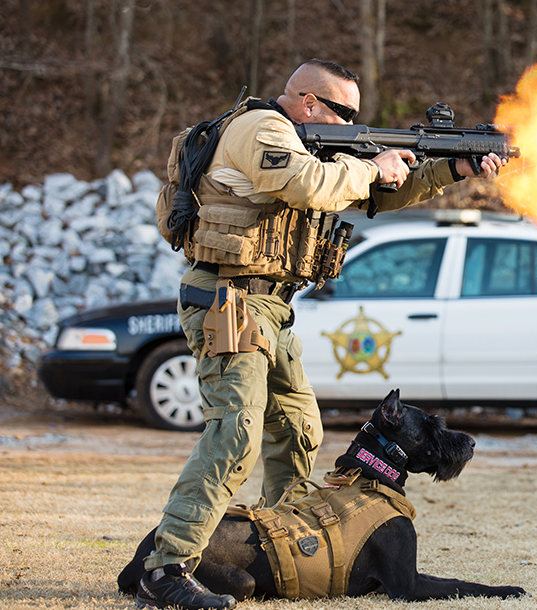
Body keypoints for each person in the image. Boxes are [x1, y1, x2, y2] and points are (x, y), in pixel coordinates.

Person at [136, 59, 506, 610]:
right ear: (309, 104)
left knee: (297, 427)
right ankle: (166, 569)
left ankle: (275, 548)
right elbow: (306, 184)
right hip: (228, 301)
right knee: (235, 433)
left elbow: (372, 197)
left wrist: (452, 169)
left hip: (269, 306)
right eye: (344, 113)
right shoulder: (260, 130)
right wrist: (372, 165)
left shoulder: (315, 148)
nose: (352, 124)